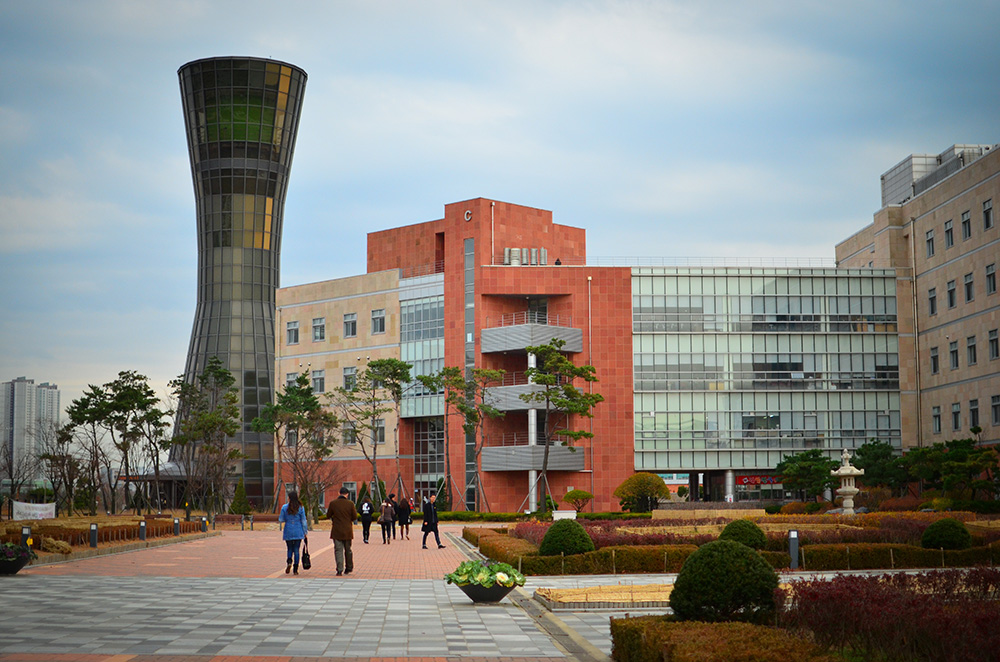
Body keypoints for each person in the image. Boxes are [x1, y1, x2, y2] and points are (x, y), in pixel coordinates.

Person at [326, 486, 358, 576]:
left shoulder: (333, 503)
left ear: (338, 493)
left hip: (336, 530)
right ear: (347, 494)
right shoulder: (350, 504)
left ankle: (339, 569)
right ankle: (348, 567)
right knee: (348, 550)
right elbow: (355, 517)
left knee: (338, 550)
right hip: (347, 530)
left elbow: (328, 515)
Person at [278, 491, 308, 575]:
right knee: (296, 550)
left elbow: (281, 519)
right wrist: (305, 532)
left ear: (289, 498)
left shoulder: (284, 507)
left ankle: (289, 561)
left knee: (289, 548)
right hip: (298, 530)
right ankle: (295, 568)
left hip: (288, 529)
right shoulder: (301, 507)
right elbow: (303, 521)